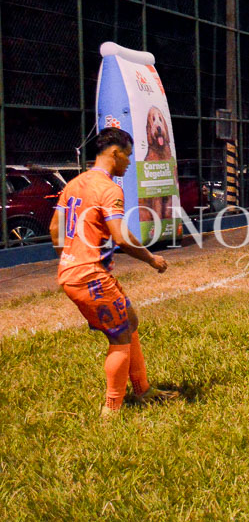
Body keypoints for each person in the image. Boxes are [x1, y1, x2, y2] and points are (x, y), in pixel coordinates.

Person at [49, 127, 177, 419]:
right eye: (128, 156)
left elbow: (55, 228)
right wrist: (151, 259)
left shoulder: (74, 184)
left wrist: (68, 258)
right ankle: (112, 410)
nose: (129, 163)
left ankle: (143, 390)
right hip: (90, 276)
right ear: (115, 153)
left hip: (75, 272)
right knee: (119, 337)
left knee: (129, 321)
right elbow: (121, 238)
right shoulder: (109, 189)